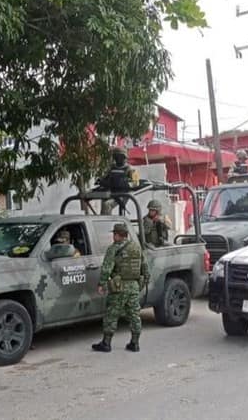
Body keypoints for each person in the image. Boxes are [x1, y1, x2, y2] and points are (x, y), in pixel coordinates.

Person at [92, 223, 149, 353]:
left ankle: (106, 343)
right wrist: (142, 283)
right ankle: (135, 343)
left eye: (114, 234)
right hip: (134, 286)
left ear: (117, 235)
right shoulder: (136, 247)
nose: (113, 236)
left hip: (119, 286)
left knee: (112, 313)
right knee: (134, 314)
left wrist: (101, 284)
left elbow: (107, 268)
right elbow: (145, 268)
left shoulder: (114, 249)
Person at [99, 147, 140, 214]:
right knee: (104, 202)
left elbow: (136, 182)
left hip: (123, 194)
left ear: (124, 157)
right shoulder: (111, 168)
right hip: (112, 192)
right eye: (116, 157)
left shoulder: (130, 169)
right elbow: (104, 177)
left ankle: (106, 223)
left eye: (120, 157)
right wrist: (102, 181)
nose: (118, 159)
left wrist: (125, 184)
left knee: (107, 205)